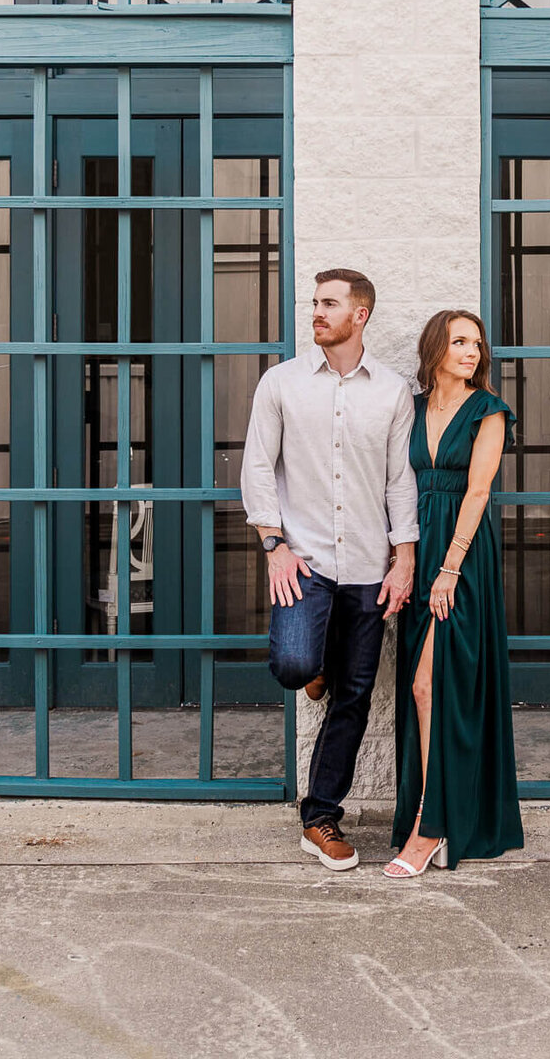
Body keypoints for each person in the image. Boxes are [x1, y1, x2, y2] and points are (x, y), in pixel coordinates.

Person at [240, 268, 418, 871]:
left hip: (369, 565)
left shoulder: (392, 392)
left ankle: (320, 817)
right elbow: (258, 467)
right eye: (314, 302)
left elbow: (400, 481)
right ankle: (314, 664)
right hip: (305, 560)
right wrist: (273, 543)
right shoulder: (282, 383)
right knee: (294, 666)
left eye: (329, 304)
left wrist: (405, 559)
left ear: (359, 314)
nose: (316, 313)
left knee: (356, 696)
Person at [385, 309, 524, 877]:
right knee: (421, 685)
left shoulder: (489, 410)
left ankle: (431, 823)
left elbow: (479, 489)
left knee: (431, 683)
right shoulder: (412, 409)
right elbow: (397, 484)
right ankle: (436, 811)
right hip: (418, 548)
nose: (472, 351)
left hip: (462, 555)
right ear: (435, 347)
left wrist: (449, 568)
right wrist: (406, 558)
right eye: (459, 340)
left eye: (477, 342)